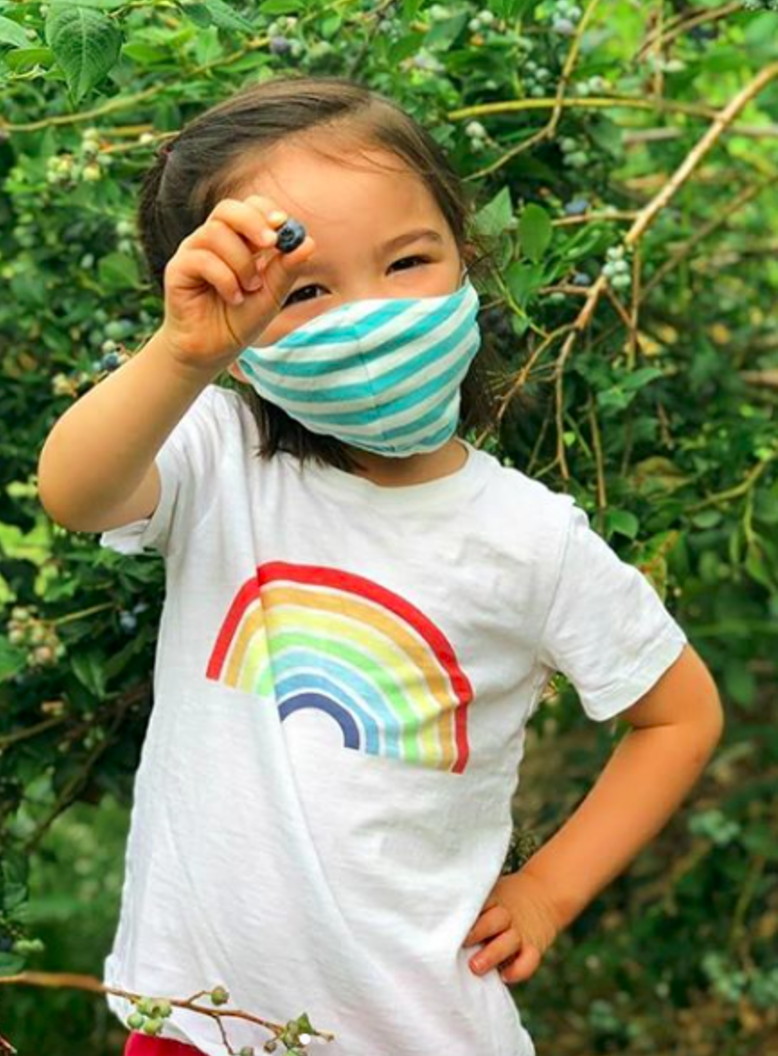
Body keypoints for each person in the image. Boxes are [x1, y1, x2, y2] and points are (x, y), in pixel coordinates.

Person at [37, 75, 724, 1056]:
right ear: (236, 334)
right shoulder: (222, 457)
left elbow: (678, 713)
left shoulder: (527, 536)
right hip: (195, 1021)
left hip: (415, 1033)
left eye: (407, 260)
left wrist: (547, 892)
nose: (370, 318)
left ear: (464, 259)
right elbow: (76, 493)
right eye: (304, 290)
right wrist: (180, 356)